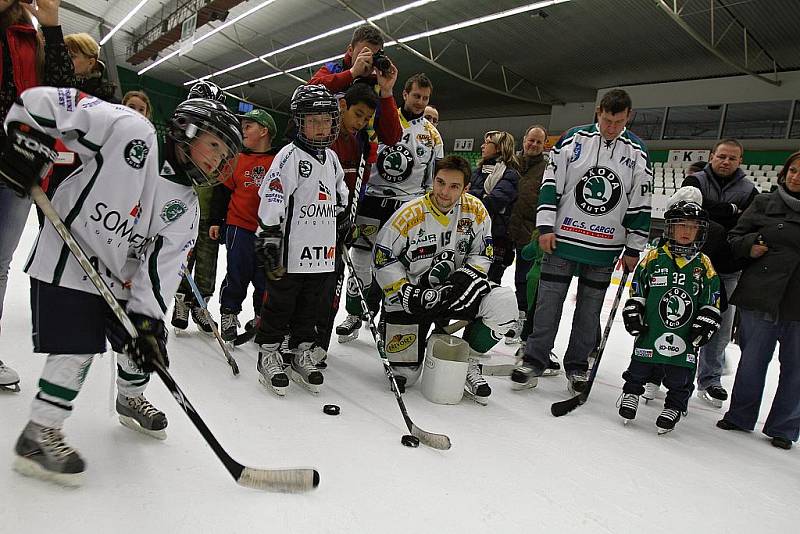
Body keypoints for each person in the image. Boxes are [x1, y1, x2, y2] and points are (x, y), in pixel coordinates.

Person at [0, 87, 242, 485]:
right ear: (188, 129)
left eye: (225, 154)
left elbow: (159, 272)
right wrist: (26, 136)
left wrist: (147, 321)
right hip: (68, 255)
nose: (218, 159)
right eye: (214, 145)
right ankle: (39, 434)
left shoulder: (186, 206)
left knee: (142, 341)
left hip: (115, 270)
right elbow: (51, 102)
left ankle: (130, 398)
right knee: (77, 349)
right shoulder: (132, 131)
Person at [511, 89, 652, 393]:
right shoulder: (572, 140)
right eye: (606, 119)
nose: (611, 127)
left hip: (604, 248)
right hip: (562, 239)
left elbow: (641, 202)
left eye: (617, 121)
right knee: (548, 303)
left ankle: (577, 366)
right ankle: (534, 359)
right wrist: (546, 226)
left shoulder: (637, 152)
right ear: (598, 112)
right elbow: (551, 185)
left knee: (589, 311)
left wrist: (634, 247)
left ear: (628, 117)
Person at [372, 155, 517, 404]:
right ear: (433, 180)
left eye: (454, 186)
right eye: (440, 183)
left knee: (505, 303)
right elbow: (382, 257)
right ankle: (413, 335)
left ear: (466, 188)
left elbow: (483, 252)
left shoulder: (476, 211)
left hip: (454, 294)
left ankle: (466, 360)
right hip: (412, 299)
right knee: (405, 374)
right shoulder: (409, 214)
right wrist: (404, 290)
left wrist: (464, 278)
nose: (444, 192)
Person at [0, 0, 76, 393]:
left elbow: (62, 95)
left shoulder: (32, 36)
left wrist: (51, 25)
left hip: (16, 170)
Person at [253, 85, 347, 396]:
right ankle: (269, 352)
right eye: (314, 120)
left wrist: (344, 216)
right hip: (292, 252)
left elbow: (339, 192)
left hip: (322, 253)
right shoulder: (289, 156)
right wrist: (268, 236)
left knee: (312, 306)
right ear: (300, 121)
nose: (321, 126)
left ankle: (300, 350)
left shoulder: (332, 159)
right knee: (280, 304)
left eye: (326, 120)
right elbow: (273, 196)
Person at [336, 72, 443, 343]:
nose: (420, 102)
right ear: (405, 94)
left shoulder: (433, 136)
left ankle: (386, 320)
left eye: (425, 98)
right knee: (360, 262)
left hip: (405, 207)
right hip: (371, 200)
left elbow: (433, 181)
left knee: (396, 267)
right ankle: (354, 314)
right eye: (416, 95)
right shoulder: (381, 117)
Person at [717, 151, 800, 450]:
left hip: (797, 304)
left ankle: (784, 427)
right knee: (752, 362)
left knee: (796, 369)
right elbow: (734, 239)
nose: (795, 176)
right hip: (760, 295)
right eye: (792, 170)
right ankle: (740, 416)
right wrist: (750, 246)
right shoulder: (764, 203)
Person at [617, 200, 721, 434]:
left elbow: (711, 296)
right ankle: (631, 393)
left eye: (692, 227)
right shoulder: (654, 257)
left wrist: (707, 318)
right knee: (639, 366)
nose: (686, 231)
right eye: (681, 225)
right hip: (652, 328)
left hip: (685, 333)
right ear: (670, 228)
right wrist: (634, 309)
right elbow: (639, 288)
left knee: (679, 375)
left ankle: (674, 406)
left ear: (700, 231)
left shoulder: (704, 264)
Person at [681, 140, 756, 407]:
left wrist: (714, 212)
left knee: (721, 329)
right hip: (692, 267)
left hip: (727, 269)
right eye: (721, 156)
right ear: (712, 156)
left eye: (732, 158)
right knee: (683, 320)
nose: (726, 161)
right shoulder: (695, 180)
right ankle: (676, 374)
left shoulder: (749, 190)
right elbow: (690, 214)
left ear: (740, 161)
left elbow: (747, 224)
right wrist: (728, 212)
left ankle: (710, 379)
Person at [313, 83, 380, 365]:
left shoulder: (359, 141)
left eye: (367, 118)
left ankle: (319, 342)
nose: (361, 122)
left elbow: (359, 183)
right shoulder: (325, 136)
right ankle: (298, 337)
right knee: (309, 286)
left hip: (341, 224)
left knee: (332, 286)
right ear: (343, 106)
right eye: (358, 114)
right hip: (314, 224)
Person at [210, 108, 278, 341]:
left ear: (264, 131)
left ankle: (261, 316)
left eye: (248, 126)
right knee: (237, 272)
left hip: (267, 231)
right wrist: (215, 221)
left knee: (264, 278)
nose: (243, 131)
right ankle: (229, 312)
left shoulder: (279, 161)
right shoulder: (236, 159)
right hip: (238, 227)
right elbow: (222, 191)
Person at [171, 81, 229, 335]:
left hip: (208, 218)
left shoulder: (223, 145)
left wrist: (219, 217)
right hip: (184, 214)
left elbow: (224, 184)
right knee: (183, 259)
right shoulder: (181, 142)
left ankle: (201, 304)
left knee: (208, 264)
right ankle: (181, 301)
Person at [507, 125, 548, 345]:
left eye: (538, 142)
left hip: (529, 232)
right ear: (524, 140)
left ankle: (522, 318)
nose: (533, 145)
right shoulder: (511, 162)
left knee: (523, 279)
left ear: (544, 145)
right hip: (506, 229)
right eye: (530, 140)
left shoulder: (546, 169)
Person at [468, 130, 520, 284]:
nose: (483, 146)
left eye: (487, 142)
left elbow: (492, 203)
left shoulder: (510, 174)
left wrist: (470, 194)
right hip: (473, 232)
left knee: (489, 281)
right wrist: (480, 194)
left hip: (498, 237)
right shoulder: (477, 171)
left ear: (498, 147)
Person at [309, 24, 386, 92]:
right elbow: (308, 89)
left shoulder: (377, 80)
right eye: (363, 54)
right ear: (350, 50)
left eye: (373, 56)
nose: (367, 60)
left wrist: (387, 93)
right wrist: (352, 73)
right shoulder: (333, 69)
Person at [63, 32, 117, 102]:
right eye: (64, 56)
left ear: (91, 63)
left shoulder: (107, 99)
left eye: (72, 57)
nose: (66, 61)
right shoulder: (56, 85)